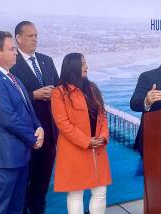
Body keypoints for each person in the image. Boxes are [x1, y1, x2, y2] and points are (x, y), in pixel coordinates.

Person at [0, 30, 44, 214]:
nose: (16, 52)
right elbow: (8, 118)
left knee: (17, 208)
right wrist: (34, 138)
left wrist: (39, 127)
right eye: (11, 49)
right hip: (2, 160)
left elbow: (27, 109)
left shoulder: (12, 77)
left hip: (19, 157)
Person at [51, 53, 111, 214]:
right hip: (74, 149)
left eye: (85, 63)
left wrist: (103, 137)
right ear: (73, 66)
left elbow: (102, 116)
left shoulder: (92, 88)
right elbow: (63, 124)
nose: (86, 66)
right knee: (76, 193)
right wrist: (86, 141)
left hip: (97, 148)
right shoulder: (59, 93)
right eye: (82, 63)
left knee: (100, 192)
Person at [10, 21, 59, 213]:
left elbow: (60, 88)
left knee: (41, 188)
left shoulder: (47, 60)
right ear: (18, 38)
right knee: (22, 189)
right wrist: (34, 95)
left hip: (49, 136)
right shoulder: (12, 65)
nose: (34, 39)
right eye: (30, 36)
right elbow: (10, 100)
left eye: (36, 35)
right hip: (25, 136)